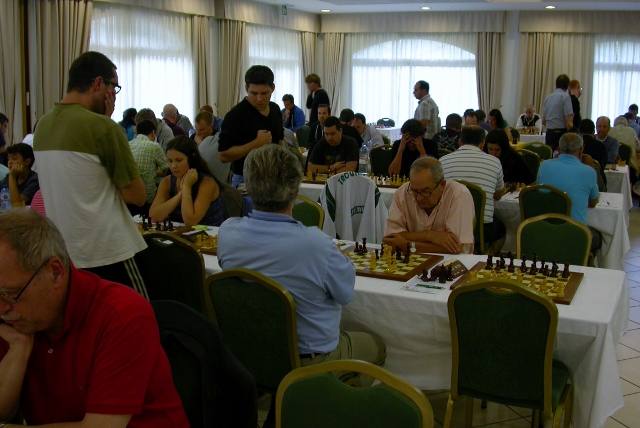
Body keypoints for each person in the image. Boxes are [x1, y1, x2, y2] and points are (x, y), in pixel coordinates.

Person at [0, 209, 189, 427]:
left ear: (55, 272)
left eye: (10, 293)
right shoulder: (17, 318)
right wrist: (18, 349)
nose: (2, 309)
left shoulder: (123, 314)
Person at [218, 144, 386, 371]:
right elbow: (346, 295)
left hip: (248, 351)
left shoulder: (227, 233)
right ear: (297, 190)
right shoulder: (316, 244)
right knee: (377, 346)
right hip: (307, 360)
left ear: (247, 188)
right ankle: (324, 391)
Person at [33, 51, 148, 294]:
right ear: (98, 83)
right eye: (114, 87)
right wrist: (106, 122)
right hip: (109, 250)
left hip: (67, 253)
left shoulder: (43, 125)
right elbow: (137, 196)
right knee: (138, 313)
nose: (114, 94)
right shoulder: (104, 128)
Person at [383, 157, 474, 254]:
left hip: (453, 261)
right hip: (411, 259)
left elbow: (455, 248)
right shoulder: (402, 193)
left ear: (442, 185)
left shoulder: (459, 194)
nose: (419, 198)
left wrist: (407, 245)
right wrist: (429, 235)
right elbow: (391, 238)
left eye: (425, 191)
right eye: (414, 191)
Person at [440, 126, 506, 253]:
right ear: (483, 144)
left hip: (449, 226)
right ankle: (485, 256)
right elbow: (498, 196)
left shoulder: (442, 161)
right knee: (502, 229)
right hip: (482, 228)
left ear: (460, 142)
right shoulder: (495, 162)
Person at [218, 65, 284, 188]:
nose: (259, 99)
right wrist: (256, 144)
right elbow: (223, 155)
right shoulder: (235, 115)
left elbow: (280, 141)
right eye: (254, 93)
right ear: (246, 88)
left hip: (274, 178)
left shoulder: (275, 109)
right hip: (246, 179)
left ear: (273, 88)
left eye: (264, 93)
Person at [150, 136, 223, 227]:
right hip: (179, 233)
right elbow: (153, 216)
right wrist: (181, 193)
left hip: (207, 233)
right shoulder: (167, 181)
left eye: (179, 160)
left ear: (192, 158)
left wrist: (187, 187)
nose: (173, 166)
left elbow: (190, 221)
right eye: (170, 161)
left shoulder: (207, 183)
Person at [537, 133, 600, 226]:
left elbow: (539, 191)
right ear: (581, 150)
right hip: (573, 230)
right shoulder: (589, 172)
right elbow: (593, 203)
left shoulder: (544, 165)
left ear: (558, 150)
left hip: (544, 227)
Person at [128, 119, 168, 216]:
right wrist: (153, 171)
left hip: (129, 197)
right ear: (153, 133)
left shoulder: (128, 145)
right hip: (148, 200)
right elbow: (165, 169)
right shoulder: (154, 146)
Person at [192, 111, 230, 185]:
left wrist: (200, 143)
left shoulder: (218, 139)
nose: (198, 133)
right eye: (196, 129)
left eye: (201, 130)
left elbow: (211, 157)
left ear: (210, 127)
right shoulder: (193, 137)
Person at [541, 74, 574, 151]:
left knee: (550, 154)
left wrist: (551, 127)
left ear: (556, 84)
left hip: (549, 133)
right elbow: (568, 120)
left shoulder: (548, 98)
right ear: (567, 86)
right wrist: (572, 133)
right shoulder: (565, 97)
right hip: (561, 133)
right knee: (561, 155)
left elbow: (543, 121)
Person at [579, 119, 608, 186]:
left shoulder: (575, 146)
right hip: (597, 182)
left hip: (577, 180)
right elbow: (603, 166)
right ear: (594, 131)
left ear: (578, 131)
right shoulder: (601, 146)